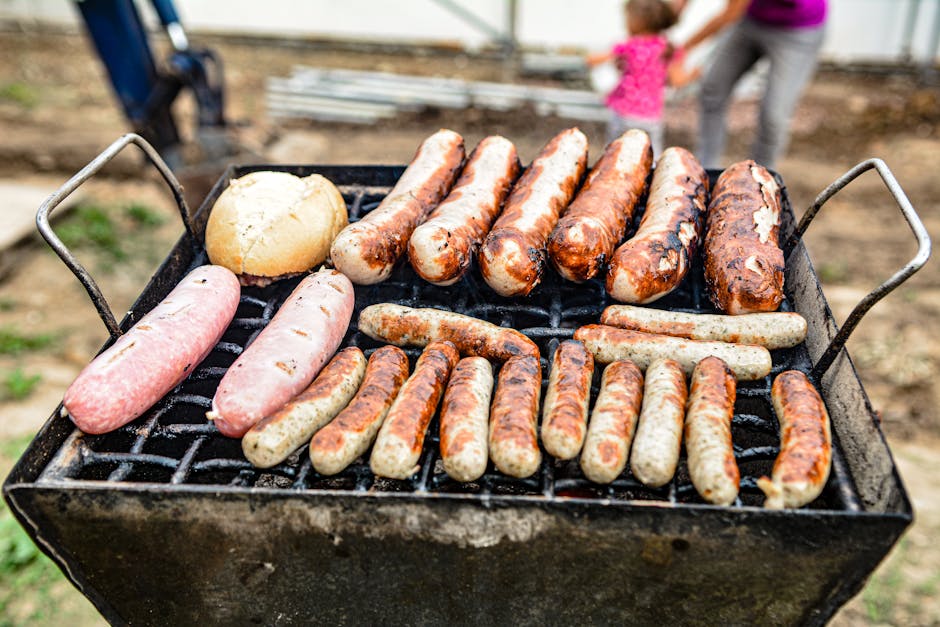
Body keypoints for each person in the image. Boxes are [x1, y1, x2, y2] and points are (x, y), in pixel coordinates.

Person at [678, 0, 827, 168]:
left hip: (798, 31)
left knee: (773, 115)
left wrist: (681, 50)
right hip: (751, 20)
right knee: (712, 88)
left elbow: (730, 13)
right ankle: (705, 168)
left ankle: (761, 177)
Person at [588, 0, 700, 156]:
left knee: (615, 152)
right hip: (651, 116)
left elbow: (592, 60)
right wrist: (694, 75)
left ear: (638, 21)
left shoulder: (630, 45)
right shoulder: (668, 49)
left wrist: (593, 58)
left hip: (624, 111)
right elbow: (677, 81)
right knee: (651, 154)